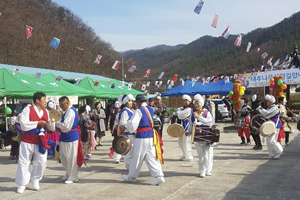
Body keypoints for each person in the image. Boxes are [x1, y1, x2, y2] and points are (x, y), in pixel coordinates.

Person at [15, 92, 55, 194]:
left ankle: (36, 178)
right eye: (44, 99)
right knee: (24, 162)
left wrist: (52, 122)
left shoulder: (46, 112)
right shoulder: (27, 109)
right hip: (27, 140)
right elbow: (23, 124)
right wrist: (37, 123)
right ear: (37, 100)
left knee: (42, 162)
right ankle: (22, 183)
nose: (45, 102)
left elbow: (51, 128)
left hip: (41, 140)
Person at [121, 94, 165, 185]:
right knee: (151, 157)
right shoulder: (150, 109)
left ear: (138, 102)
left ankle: (131, 177)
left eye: (135, 102)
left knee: (136, 157)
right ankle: (159, 176)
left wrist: (125, 127)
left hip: (142, 137)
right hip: (151, 136)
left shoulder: (139, 110)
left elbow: (133, 124)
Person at [55, 96, 81, 184]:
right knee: (63, 156)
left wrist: (57, 124)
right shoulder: (66, 112)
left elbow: (66, 126)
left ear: (67, 103)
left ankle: (73, 177)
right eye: (60, 105)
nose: (61, 107)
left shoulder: (71, 111)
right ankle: (69, 172)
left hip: (71, 136)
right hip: (65, 137)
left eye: (62, 105)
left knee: (71, 157)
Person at [192, 94, 214, 178]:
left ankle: (209, 169)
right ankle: (202, 170)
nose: (197, 105)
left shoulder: (207, 113)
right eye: (195, 104)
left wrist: (199, 117)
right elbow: (191, 124)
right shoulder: (193, 114)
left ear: (202, 104)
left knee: (208, 154)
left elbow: (209, 122)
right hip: (197, 136)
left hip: (207, 136)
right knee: (201, 155)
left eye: (198, 103)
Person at [258, 94, 283, 159]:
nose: (267, 102)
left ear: (271, 102)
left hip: (275, 125)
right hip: (270, 124)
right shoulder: (271, 107)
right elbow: (266, 113)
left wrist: (262, 110)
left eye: (268, 101)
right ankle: (272, 153)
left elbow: (267, 114)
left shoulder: (275, 108)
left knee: (272, 140)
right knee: (268, 140)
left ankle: (279, 151)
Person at [119, 94, 135, 168]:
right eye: (129, 101)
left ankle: (130, 164)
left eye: (132, 100)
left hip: (134, 133)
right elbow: (122, 123)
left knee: (134, 149)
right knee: (130, 149)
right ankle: (128, 164)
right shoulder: (125, 111)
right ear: (126, 102)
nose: (131, 102)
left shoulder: (133, 110)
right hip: (129, 133)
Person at [177, 94, 193, 161]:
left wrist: (179, 112)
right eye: (184, 101)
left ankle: (188, 156)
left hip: (187, 126)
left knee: (186, 142)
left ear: (189, 102)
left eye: (186, 101)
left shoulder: (189, 109)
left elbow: (180, 116)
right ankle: (185, 154)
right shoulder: (183, 109)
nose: (185, 102)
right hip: (182, 125)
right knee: (180, 141)